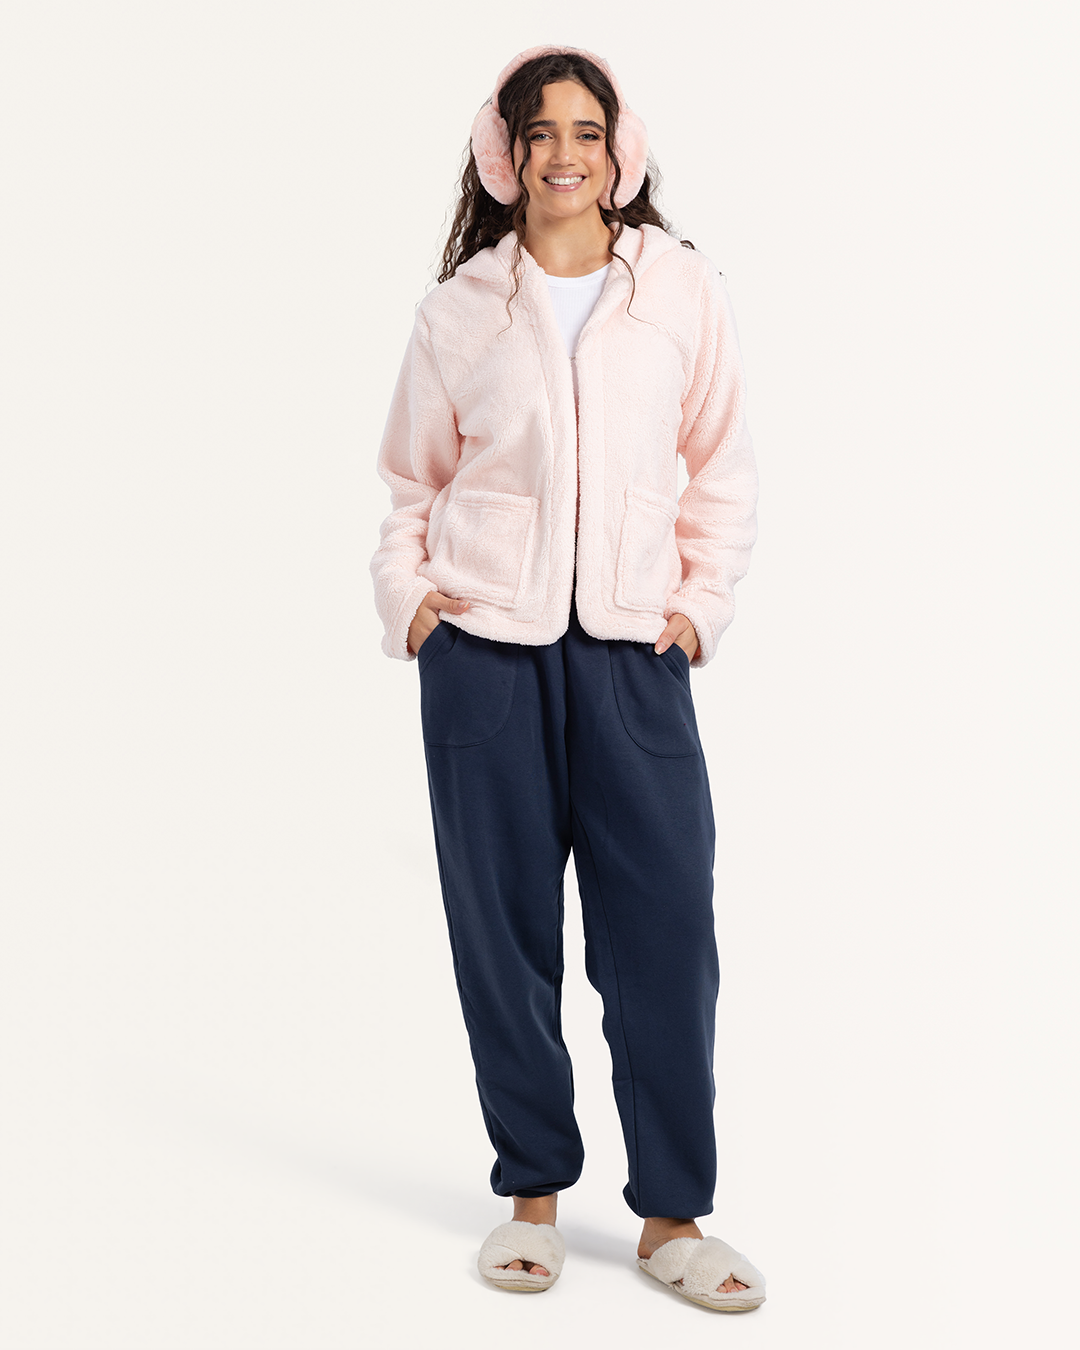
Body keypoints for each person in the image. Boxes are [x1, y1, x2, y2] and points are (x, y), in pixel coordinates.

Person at [369, 45, 765, 1313]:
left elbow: (722, 465)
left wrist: (699, 608)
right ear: (505, 154)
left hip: (634, 652)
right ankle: (532, 1192)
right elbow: (412, 480)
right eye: (538, 133)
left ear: (619, 150)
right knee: (504, 934)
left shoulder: (679, 290)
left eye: (585, 132)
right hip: (483, 651)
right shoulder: (460, 310)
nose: (563, 155)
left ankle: (672, 1217)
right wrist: (412, 603)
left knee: (665, 932)